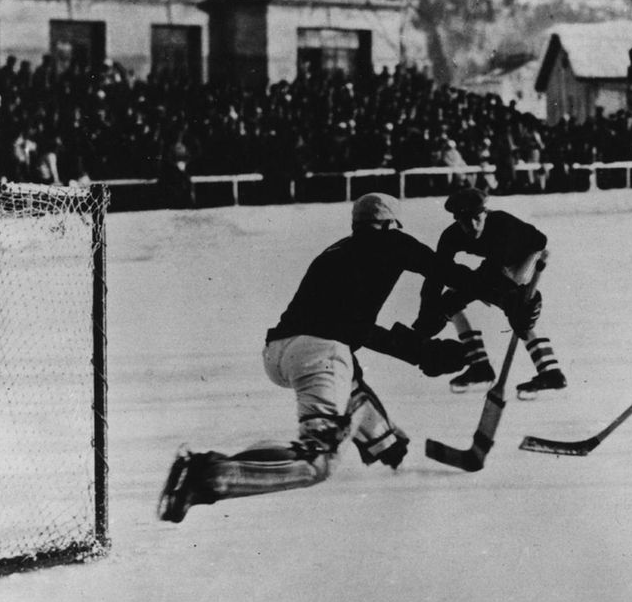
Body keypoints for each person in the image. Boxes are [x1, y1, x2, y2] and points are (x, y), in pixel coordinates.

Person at [157, 193, 512, 523]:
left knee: (348, 380)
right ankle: (208, 476)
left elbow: (354, 328)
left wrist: (419, 354)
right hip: (320, 353)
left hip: (279, 353)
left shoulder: (335, 252)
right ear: (389, 224)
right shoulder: (392, 241)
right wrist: (506, 293)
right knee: (317, 461)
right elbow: (443, 270)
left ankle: (386, 441)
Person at [415, 187, 566, 398]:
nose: (472, 226)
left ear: (486, 213)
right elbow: (436, 274)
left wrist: (513, 297)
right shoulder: (451, 236)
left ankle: (551, 372)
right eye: (465, 221)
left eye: (477, 218)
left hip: (529, 252)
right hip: (496, 265)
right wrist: (426, 315)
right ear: (457, 220)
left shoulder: (502, 224)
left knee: (519, 308)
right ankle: (480, 366)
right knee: (450, 301)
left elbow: (491, 277)